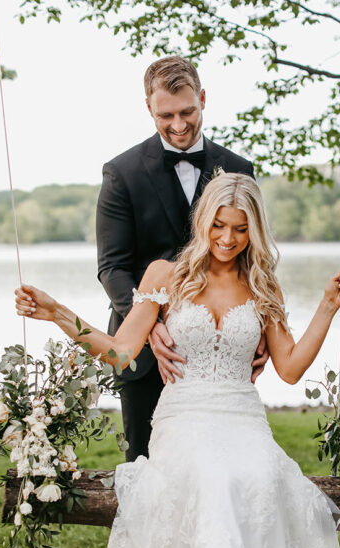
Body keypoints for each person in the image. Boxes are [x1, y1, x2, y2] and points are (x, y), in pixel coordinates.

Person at [15, 173, 340, 548]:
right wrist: (57, 312)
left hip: (243, 419)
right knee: (210, 479)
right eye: (218, 225)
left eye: (239, 229)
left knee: (258, 477)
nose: (226, 238)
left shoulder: (263, 284)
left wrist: (328, 307)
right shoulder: (165, 275)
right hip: (182, 420)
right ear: (203, 222)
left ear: (255, 230)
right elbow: (122, 352)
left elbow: (288, 368)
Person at [96, 55, 263, 462]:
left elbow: (249, 254)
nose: (178, 124)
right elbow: (112, 267)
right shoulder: (122, 172)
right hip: (146, 355)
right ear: (148, 108)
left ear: (203, 98)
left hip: (218, 355)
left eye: (187, 111)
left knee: (226, 466)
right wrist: (150, 321)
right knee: (145, 466)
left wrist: (262, 330)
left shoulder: (239, 168)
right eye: (165, 115)